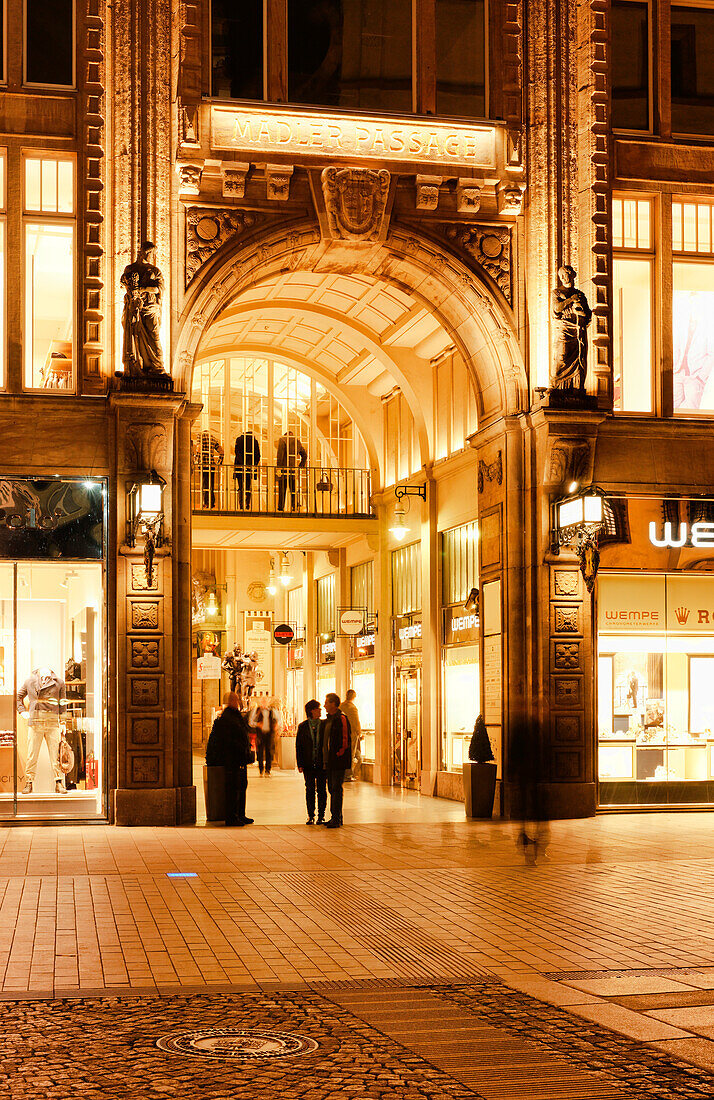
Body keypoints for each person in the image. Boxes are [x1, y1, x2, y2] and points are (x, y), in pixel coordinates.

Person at [205, 691, 254, 826]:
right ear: (230, 702)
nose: (238, 702)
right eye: (235, 700)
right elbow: (229, 740)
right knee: (233, 789)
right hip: (232, 760)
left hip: (240, 758)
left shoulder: (236, 716)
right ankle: (232, 817)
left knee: (242, 786)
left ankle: (240, 814)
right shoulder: (227, 718)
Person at [119, 241, 166, 377]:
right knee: (135, 334)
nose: (152, 256)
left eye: (153, 254)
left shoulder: (155, 271)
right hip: (134, 307)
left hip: (151, 308)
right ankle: (135, 366)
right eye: (150, 253)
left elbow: (159, 289)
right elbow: (124, 284)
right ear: (144, 252)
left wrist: (141, 288)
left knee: (153, 335)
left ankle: (158, 367)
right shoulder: (130, 269)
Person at [321, 692, 352, 829]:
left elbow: (345, 739)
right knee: (331, 789)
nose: (324, 705)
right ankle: (335, 816)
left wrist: (339, 753)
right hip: (330, 761)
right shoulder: (329, 720)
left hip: (338, 760)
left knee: (336, 788)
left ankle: (336, 817)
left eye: (327, 702)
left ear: (333, 704)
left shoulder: (341, 718)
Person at [296, 700, 327, 825]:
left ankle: (321, 815)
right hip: (308, 763)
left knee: (321, 789)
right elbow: (299, 746)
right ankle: (310, 815)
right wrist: (300, 763)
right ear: (311, 711)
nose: (320, 710)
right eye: (318, 708)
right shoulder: (303, 726)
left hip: (321, 763)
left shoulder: (324, 725)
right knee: (309, 789)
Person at [276, 430, 307, 512]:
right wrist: (301, 466)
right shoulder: (297, 442)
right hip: (293, 469)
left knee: (282, 489)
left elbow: (280, 455)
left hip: (283, 469)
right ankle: (294, 506)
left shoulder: (282, 440)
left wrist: (278, 468)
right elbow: (304, 455)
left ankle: (280, 507)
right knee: (293, 489)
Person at [250, 695, 277, 776]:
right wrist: (257, 724)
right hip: (260, 735)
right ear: (260, 702)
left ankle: (268, 770)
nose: (264, 702)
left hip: (269, 734)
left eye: (265, 701)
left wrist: (276, 727)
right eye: (263, 701)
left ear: (268, 702)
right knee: (260, 752)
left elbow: (278, 720)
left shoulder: (272, 711)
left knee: (269, 752)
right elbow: (251, 722)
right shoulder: (256, 710)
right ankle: (261, 770)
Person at [196, 430, 224, 509]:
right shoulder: (213, 439)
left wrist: (196, 460)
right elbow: (221, 452)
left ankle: (206, 502)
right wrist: (219, 462)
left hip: (203, 463)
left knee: (204, 484)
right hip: (211, 464)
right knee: (210, 484)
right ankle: (211, 502)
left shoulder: (200, 437)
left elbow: (198, 448)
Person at [234, 431, 261, 510]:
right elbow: (258, 455)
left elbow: (237, 453)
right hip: (250, 467)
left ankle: (241, 504)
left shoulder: (239, 439)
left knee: (240, 487)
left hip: (239, 466)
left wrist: (242, 463)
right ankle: (247, 503)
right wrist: (253, 464)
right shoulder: (254, 441)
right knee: (248, 486)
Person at [341, 688, 362, 781]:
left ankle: (345, 773)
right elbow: (356, 722)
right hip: (352, 734)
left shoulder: (341, 706)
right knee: (351, 753)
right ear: (353, 697)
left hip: (342, 733)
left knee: (346, 752)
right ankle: (349, 774)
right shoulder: (352, 708)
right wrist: (359, 733)